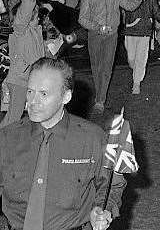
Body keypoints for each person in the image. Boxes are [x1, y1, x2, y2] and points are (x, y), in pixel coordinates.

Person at [0, 58, 126, 230]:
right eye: (30, 91)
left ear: (65, 96)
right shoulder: (7, 137)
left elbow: (112, 183)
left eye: (43, 94)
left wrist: (101, 209)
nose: (32, 102)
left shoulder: (92, 139)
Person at [79, 0, 145, 114]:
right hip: (95, 36)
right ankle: (100, 92)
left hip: (112, 36)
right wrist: (98, 27)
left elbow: (129, 6)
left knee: (107, 67)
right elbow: (82, 19)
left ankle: (100, 99)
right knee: (97, 67)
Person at [0, 0, 63, 127]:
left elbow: (42, 56)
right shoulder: (20, 30)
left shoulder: (37, 32)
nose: (38, 15)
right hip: (19, 80)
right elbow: (23, 16)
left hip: (30, 79)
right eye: (34, 13)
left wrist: (53, 58)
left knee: (32, 111)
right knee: (14, 116)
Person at [122, 0, 160, 95]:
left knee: (142, 58)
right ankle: (134, 68)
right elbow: (130, 4)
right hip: (131, 30)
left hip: (145, 31)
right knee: (131, 58)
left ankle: (136, 83)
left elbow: (156, 11)